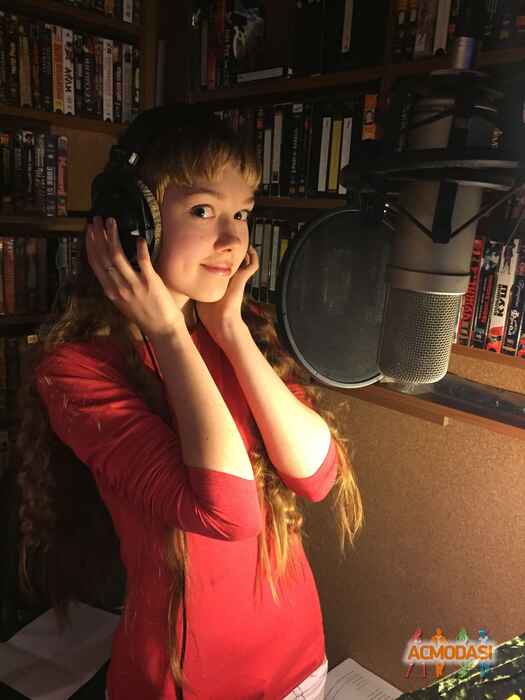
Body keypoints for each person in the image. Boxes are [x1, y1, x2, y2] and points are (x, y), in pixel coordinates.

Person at [14, 106, 364, 699]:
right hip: (184, 683)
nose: (233, 240)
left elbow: (316, 476)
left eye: (242, 213)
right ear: (133, 220)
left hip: (300, 663)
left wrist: (230, 330)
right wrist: (169, 333)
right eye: (203, 210)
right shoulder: (75, 372)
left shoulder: (235, 334)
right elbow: (230, 513)